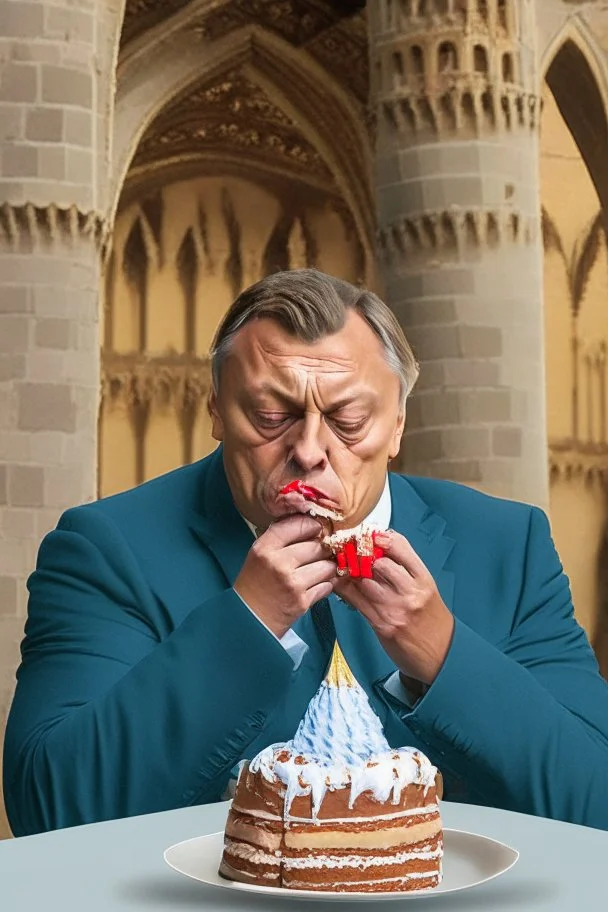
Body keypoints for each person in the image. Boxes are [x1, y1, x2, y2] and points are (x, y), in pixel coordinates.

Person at [4, 269, 608, 837]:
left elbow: (595, 802)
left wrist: (445, 654)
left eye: (348, 419)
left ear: (398, 423)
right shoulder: (107, 548)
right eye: (271, 416)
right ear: (216, 409)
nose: (310, 450)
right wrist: (248, 624)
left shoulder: (509, 545)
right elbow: (52, 812)